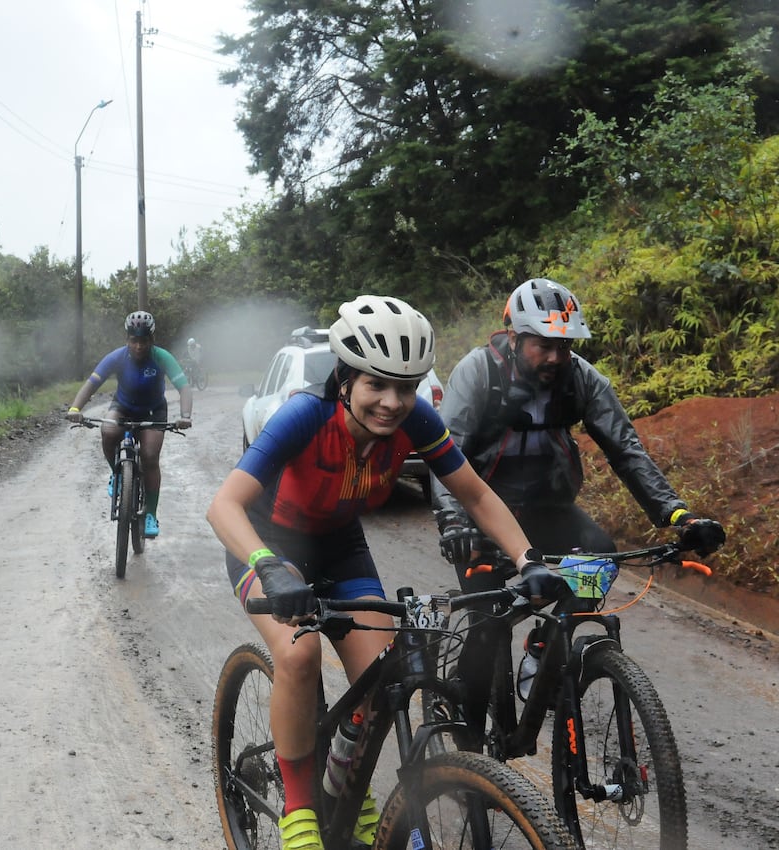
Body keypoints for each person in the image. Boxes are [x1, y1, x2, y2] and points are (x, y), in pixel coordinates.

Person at [206, 295, 563, 850]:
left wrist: (528, 560)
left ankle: (343, 782)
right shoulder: (304, 415)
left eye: (407, 386)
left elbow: (474, 493)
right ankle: (301, 808)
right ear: (345, 379)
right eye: (377, 384)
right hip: (268, 544)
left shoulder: (417, 420)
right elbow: (223, 506)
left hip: (338, 543)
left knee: (381, 675)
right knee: (299, 655)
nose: (393, 402)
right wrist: (269, 568)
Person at [430, 277, 725, 695]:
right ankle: (465, 730)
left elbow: (626, 450)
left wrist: (678, 515)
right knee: (487, 628)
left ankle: (546, 643)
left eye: (564, 346)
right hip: (483, 516)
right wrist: (453, 522)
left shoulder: (582, 378)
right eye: (543, 345)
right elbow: (447, 453)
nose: (556, 357)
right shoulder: (478, 372)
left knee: (599, 558)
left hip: (548, 507)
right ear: (514, 338)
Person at [67, 310, 193, 538]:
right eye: (134, 340)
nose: (138, 346)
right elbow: (92, 383)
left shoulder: (162, 357)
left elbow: (183, 387)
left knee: (150, 455)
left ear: (151, 339)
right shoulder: (116, 357)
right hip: (123, 406)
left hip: (154, 410)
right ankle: (116, 473)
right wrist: (76, 409)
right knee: (108, 431)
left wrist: (185, 415)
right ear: (127, 339)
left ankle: (151, 514)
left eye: (143, 340)